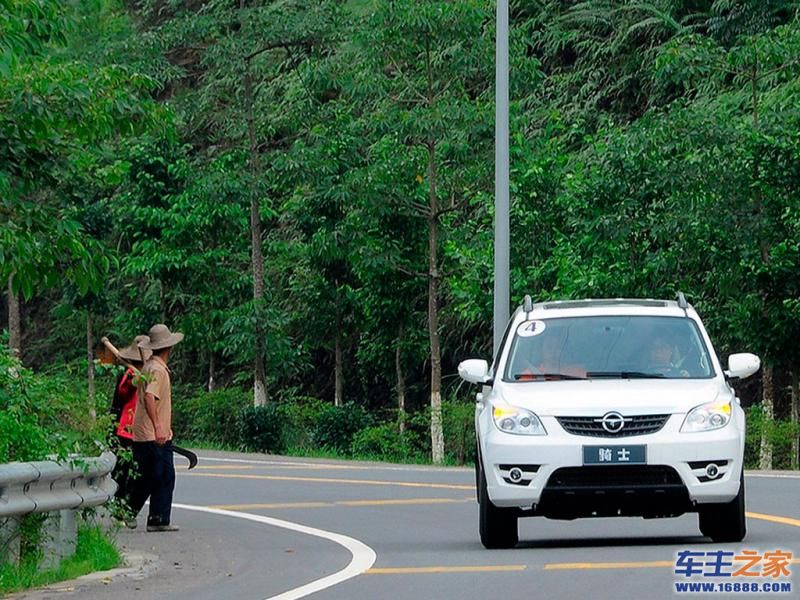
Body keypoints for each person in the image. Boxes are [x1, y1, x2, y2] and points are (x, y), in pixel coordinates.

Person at [128, 323, 184, 532]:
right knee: (158, 475)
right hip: (152, 434)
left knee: (154, 475)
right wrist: (159, 426)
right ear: (169, 347)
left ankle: (157, 518)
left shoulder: (149, 366)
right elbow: (151, 397)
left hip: (145, 433)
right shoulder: (158, 370)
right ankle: (142, 513)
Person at [109, 334, 152, 528]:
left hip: (144, 430)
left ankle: (128, 509)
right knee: (122, 472)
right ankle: (118, 508)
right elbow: (121, 395)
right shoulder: (127, 374)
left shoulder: (151, 373)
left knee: (140, 472)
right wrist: (133, 380)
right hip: (125, 429)